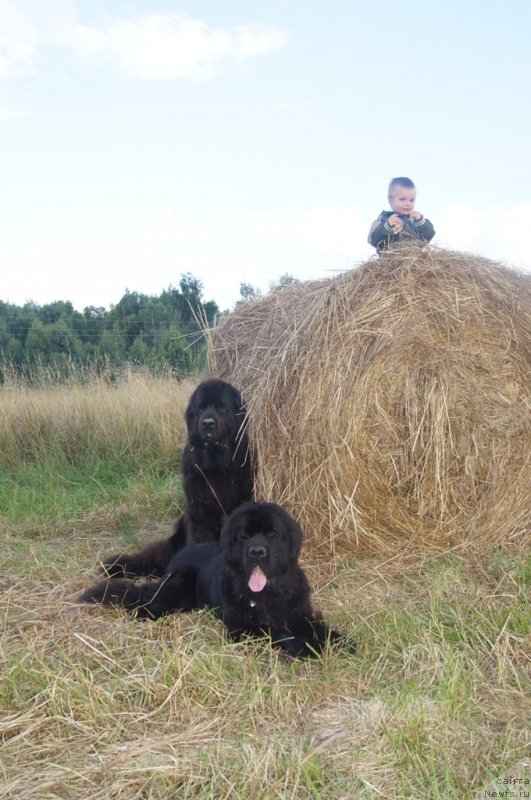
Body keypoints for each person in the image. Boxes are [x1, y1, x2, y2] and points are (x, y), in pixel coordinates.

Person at [368, 177, 435, 253]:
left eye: (411, 200)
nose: (408, 204)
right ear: (390, 200)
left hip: (414, 261)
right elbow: (373, 240)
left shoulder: (414, 221)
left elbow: (428, 237)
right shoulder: (384, 220)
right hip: (391, 262)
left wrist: (421, 222)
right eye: (402, 199)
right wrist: (387, 227)